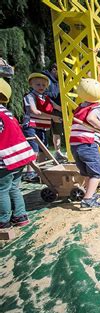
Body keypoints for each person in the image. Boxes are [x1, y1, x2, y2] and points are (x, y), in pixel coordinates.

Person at [0, 78, 36, 228]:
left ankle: (3, 220)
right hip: (20, 156)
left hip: (7, 159)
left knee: (2, 189)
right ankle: (20, 216)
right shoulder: (6, 112)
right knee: (14, 187)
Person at [69, 78, 100, 210]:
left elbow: (84, 122)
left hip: (75, 144)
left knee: (86, 172)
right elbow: (91, 119)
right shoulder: (98, 107)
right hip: (87, 144)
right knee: (97, 172)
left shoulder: (81, 106)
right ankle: (87, 200)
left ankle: (89, 193)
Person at [22, 73, 62, 182]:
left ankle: (40, 171)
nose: (41, 87)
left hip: (43, 127)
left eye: (43, 85)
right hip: (32, 126)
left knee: (43, 150)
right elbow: (34, 111)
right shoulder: (29, 96)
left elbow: (58, 107)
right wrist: (53, 117)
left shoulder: (46, 98)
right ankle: (30, 172)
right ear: (31, 84)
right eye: (38, 84)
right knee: (33, 150)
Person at [42, 63, 67, 161]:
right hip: (48, 110)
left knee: (57, 131)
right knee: (44, 131)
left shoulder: (58, 81)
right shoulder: (45, 79)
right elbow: (44, 95)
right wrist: (55, 106)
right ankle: (43, 154)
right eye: (61, 73)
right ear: (54, 70)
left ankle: (58, 152)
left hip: (57, 110)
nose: (63, 76)